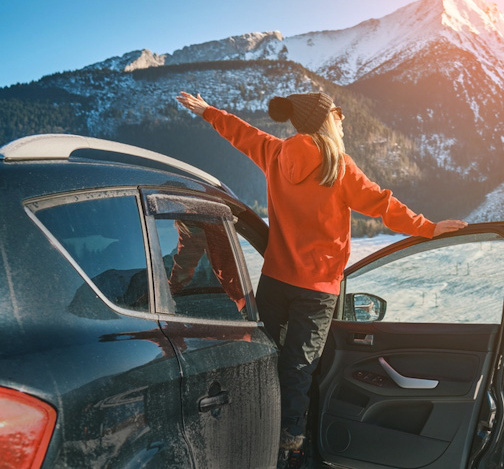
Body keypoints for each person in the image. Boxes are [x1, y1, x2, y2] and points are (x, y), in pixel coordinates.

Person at [176, 90, 467, 467]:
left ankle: (250, 430)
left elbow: (240, 132)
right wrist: (428, 228)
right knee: (298, 368)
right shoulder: (338, 166)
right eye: (338, 112)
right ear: (325, 118)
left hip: (276, 281)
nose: (343, 118)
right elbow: (383, 205)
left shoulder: (276, 152)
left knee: (264, 359)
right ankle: (288, 448)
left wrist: (207, 111)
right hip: (317, 291)